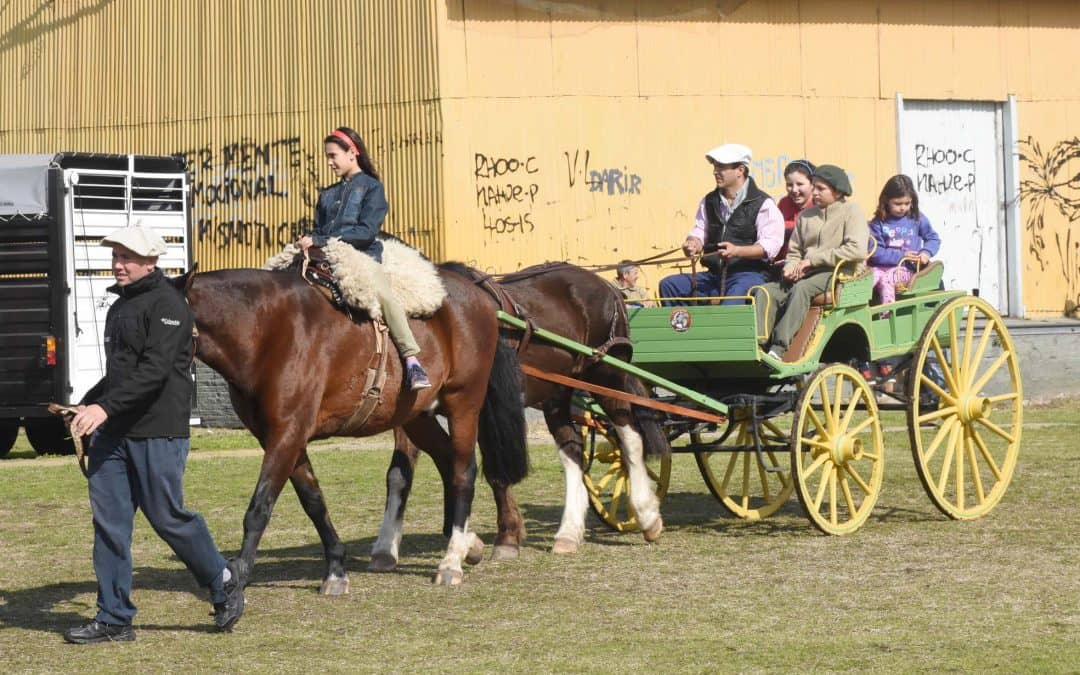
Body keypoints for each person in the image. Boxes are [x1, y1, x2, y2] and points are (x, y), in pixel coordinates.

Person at [65, 225, 243, 644]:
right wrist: (87, 402)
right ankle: (113, 618)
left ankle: (222, 579)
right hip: (115, 434)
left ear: (151, 261)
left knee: (168, 517)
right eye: (116, 256)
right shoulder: (118, 308)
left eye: (127, 256)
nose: (118, 263)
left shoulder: (169, 306)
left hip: (158, 432)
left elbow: (155, 372)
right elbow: (122, 374)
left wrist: (103, 407)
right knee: (109, 524)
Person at [296, 126, 431, 391]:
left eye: (333, 155)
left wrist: (322, 240)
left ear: (352, 153)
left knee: (385, 295)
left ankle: (411, 360)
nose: (329, 161)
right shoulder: (327, 194)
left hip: (361, 257)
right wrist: (308, 238)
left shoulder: (372, 188)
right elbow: (320, 230)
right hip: (325, 257)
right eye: (327, 156)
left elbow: (366, 232)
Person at [753, 165, 869, 360]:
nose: (814, 192)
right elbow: (794, 250)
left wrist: (811, 261)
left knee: (802, 289)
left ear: (838, 191)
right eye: (813, 187)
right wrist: (790, 268)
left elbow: (856, 250)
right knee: (766, 290)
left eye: (820, 188)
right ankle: (758, 344)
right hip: (807, 271)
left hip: (838, 273)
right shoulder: (806, 216)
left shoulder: (852, 211)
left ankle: (778, 348)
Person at [659, 143, 784, 306]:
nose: (715, 172)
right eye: (715, 166)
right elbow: (699, 231)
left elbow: (770, 247)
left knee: (733, 299)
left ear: (740, 170)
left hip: (748, 274)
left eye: (721, 167)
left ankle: (729, 332)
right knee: (669, 286)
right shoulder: (709, 201)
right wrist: (693, 243)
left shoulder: (763, 203)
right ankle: (686, 330)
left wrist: (737, 251)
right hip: (713, 275)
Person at [868, 174, 941, 305]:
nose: (903, 208)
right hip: (880, 267)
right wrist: (901, 255)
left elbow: (933, 238)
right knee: (866, 280)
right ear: (886, 201)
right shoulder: (878, 223)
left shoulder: (916, 218)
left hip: (907, 269)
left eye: (907, 203)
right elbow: (875, 252)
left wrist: (926, 252)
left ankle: (887, 315)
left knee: (887, 280)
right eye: (897, 203)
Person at [774, 159, 816, 270]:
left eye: (800, 184)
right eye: (789, 185)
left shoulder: (820, 205)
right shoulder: (783, 203)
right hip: (785, 264)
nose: (794, 190)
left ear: (813, 184)